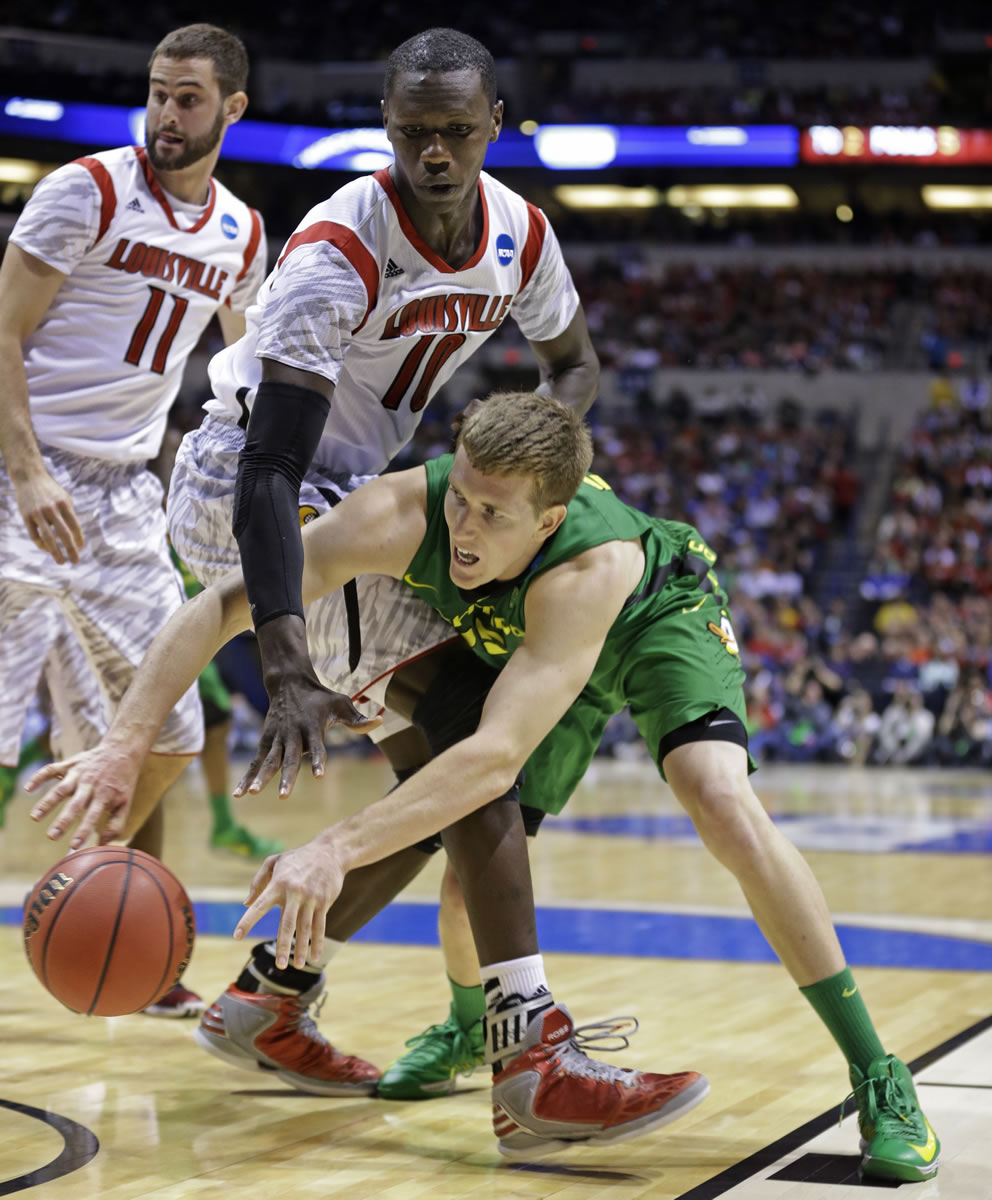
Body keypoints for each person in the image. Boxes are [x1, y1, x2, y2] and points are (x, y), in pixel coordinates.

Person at [30, 393, 938, 1182]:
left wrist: (329, 847)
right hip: (535, 645)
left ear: (547, 520)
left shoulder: (590, 565)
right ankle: (485, 1033)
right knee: (472, 878)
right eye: (459, 498)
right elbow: (223, 603)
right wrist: (124, 742)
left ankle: (877, 1076)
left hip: (650, 618)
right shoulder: (404, 513)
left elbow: (495, 758)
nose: (464, 529)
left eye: (493, 514)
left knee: (719, 799)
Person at [159, 26, 601, 1092]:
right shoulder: (336, 250)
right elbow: (270, 469)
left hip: (347, 498)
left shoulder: (520, 238)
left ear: (493, 124)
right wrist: (283, 665)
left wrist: (539, 470)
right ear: (386, 128)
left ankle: (271, 995)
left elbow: (574, 363)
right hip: (242, 489)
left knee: (450, 778)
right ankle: (531, 1061)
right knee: (465, 742)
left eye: (455, 131)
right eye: (413, 133)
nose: (435, 153)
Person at [0, 22, 267, 1014]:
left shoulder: (241, 233)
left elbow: (253, 373)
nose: (167, 114)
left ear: (232, 109)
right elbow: (5, 329)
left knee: (160, 733)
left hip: (123, 497)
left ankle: (107, 915)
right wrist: (25, 470)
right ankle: (95, 905)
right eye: (158, 93)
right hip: (18, 470)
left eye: (189, 98)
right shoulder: (88, 189)